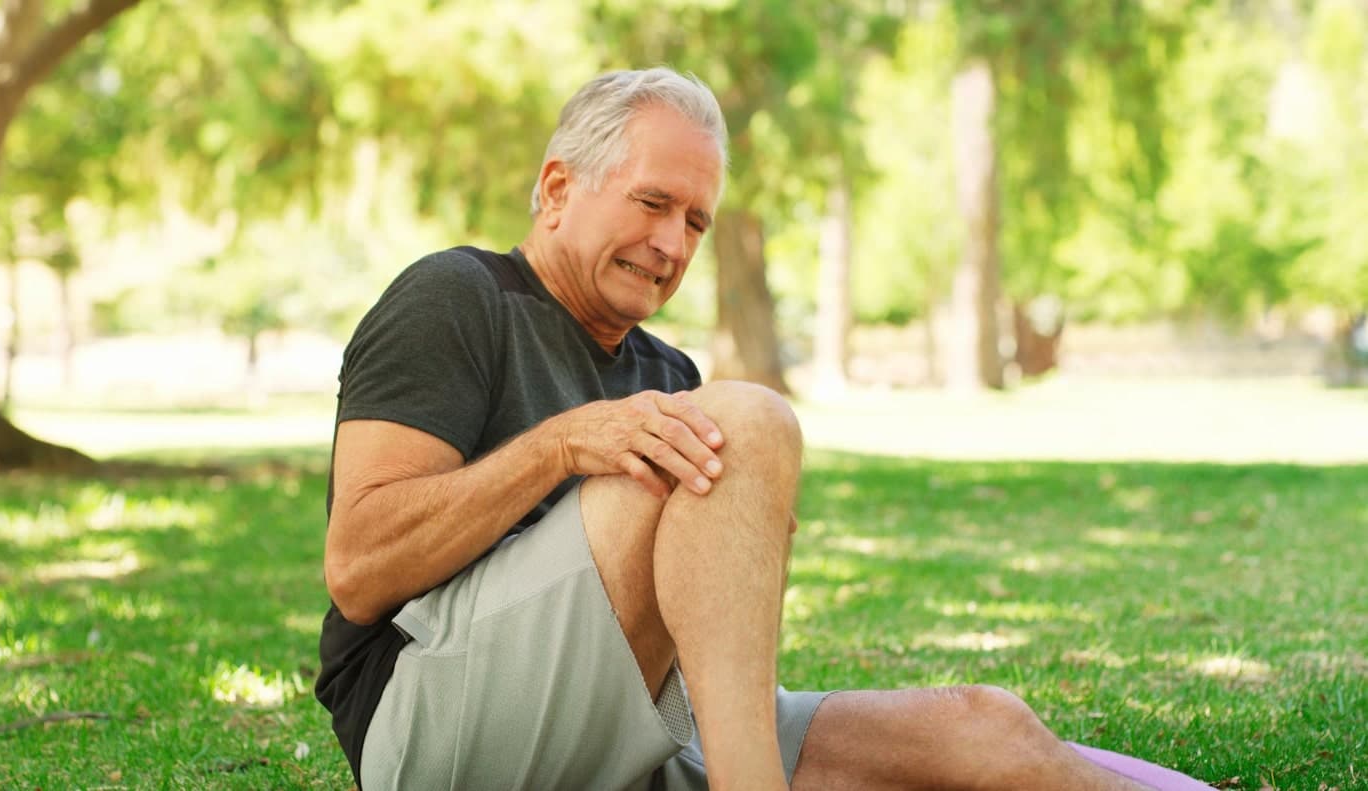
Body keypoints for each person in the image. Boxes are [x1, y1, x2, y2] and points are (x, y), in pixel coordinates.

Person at [314, 68, 1211, 791]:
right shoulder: (457, 299)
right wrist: (561, 443)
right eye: (653, 202)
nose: (672, 244)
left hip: (637, 726)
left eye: (696, 220)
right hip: (429, 729)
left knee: (983, 725)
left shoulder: (666, 373)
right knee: (743, 418)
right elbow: (359, 570)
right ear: (557, 189)